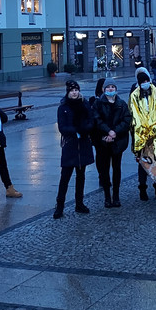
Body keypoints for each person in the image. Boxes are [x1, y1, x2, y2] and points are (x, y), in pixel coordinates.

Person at [54, 80, 95, 218]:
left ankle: (79, 203)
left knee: (81, 176)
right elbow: (62, 127)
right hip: (70, 145)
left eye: (76, 90)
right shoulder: (63, 107)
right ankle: (59, 206)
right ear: (68, 92)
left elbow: (91, 121)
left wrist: (85, 130)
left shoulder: (85, 104)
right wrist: (76, 131)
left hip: (83, 144)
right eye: (72, 90)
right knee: (65, 177)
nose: (74, 92)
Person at [91, 78, 131, 207]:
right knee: (104, 169)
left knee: (117, 168)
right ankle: (107, 197)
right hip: (103, 141)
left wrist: (115, 132)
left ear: (116, 89)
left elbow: (126, 121)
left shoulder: (121, 103)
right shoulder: (98, 104)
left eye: (112, 87)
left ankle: (116, 196)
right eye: (108, 87)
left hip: (117, 141)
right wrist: (108, 132)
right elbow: (96, 120)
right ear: (103, 89)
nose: (110, 89)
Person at [130, 67, 156, 201]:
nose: (144, 83)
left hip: (155, 133)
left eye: (146, 79)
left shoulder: (155, 88)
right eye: (141, 80)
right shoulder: (134, 92)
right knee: (143, 162)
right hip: (140, 134)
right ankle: (142, 189)